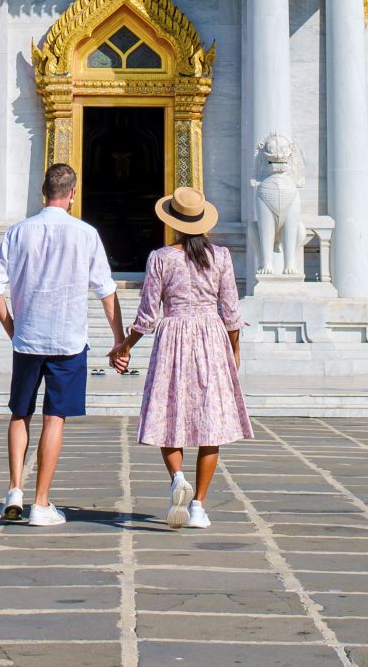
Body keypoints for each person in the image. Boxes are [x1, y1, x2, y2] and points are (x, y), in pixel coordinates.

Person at [0, 161, 125, 526]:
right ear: (73, 194)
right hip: (68, 340)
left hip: (27, 338)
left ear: (43, 192)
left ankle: (14, 489)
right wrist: (119, 340)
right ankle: (40, 502)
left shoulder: (18, 232)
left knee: (20, 413)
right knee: (54, 417)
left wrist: (12, 327)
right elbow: (107, 293)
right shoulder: (86, 233)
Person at [110, 185, 251, 529]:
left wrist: (125, 346)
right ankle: (199, 505)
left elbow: (147, 315)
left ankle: (176, 478)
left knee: (168, 415)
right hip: (210, 336)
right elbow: (231, 312)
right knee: (210, 423)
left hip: (172, 335)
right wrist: (234, 348)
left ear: (173, 222)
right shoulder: (220, 257)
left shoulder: (161, 257)